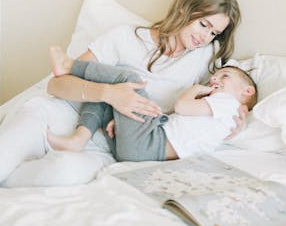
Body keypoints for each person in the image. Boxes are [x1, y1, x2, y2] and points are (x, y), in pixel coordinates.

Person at [0, 0, 246, 186]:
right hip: (59, 112)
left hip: (102, 143)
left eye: (214, 33)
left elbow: (219, 100)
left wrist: (233, 122)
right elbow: (58, 85)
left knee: (54, 180)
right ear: (186, 10)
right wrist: (108, 94)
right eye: (203, 24)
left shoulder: (203, 61)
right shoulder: (123, 37)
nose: (204, 37)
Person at [47, 46, 257, 161]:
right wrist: (123, 121)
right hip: (141, 150)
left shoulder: (228, 104)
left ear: (247, 92)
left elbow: (182, 106)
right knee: (109, 96)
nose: (214, 80)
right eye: (215, 77)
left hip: (149, 144)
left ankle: (70, 64)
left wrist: (196, 89)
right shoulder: (222, 115)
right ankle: (77, 140)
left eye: (224, 77)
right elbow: (177, 124)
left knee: (128, 81)